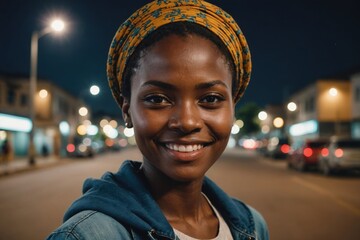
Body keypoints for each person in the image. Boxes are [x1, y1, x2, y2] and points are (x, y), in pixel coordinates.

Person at [47, 0, 269, 239]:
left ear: (232, 108)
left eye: (211, 98)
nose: (186, 121)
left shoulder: (253, 226)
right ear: (127, 111)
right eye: (157, 99)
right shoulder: (86, 235)